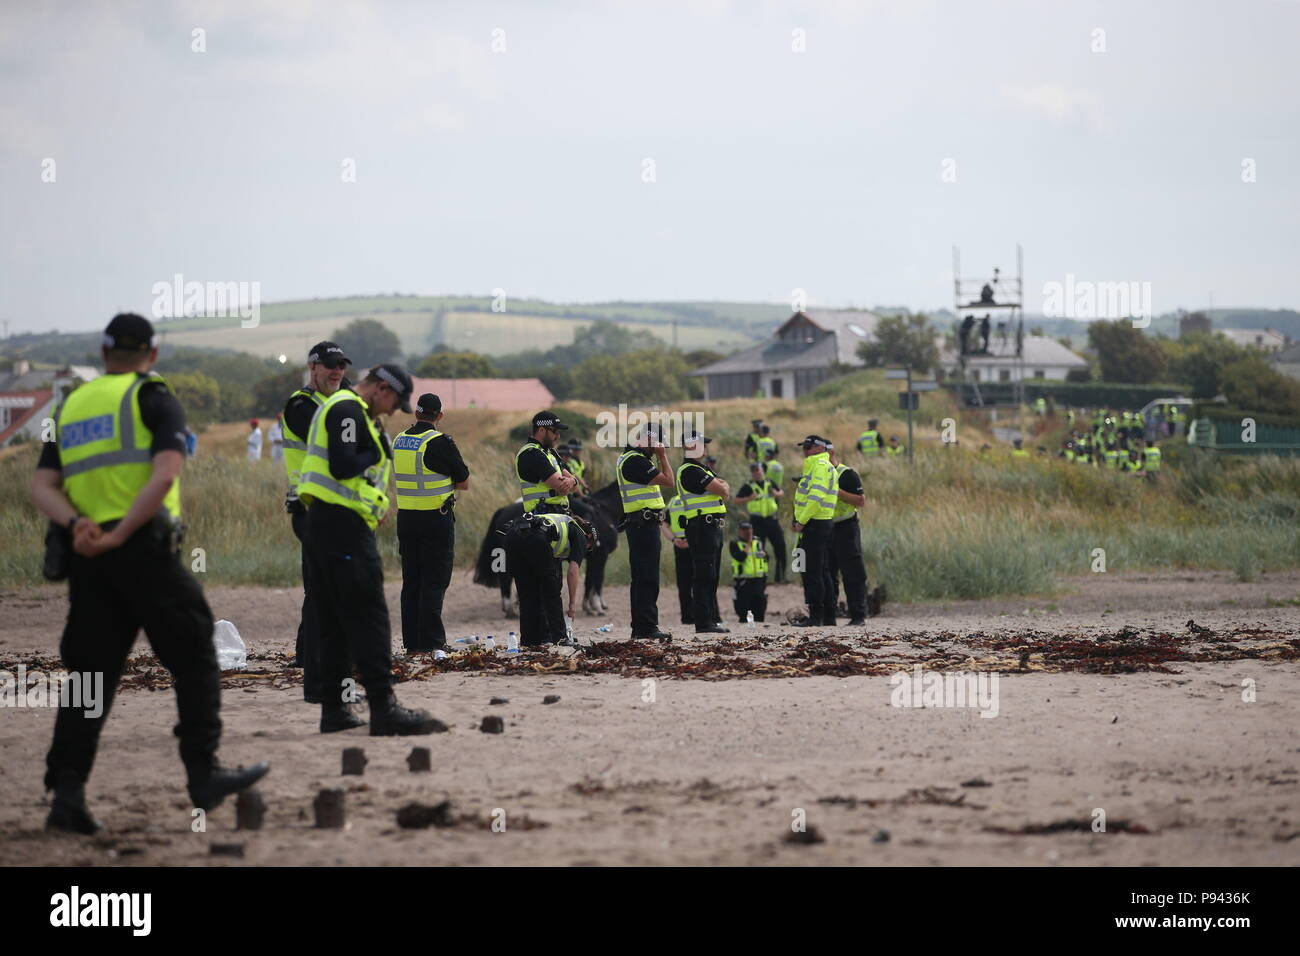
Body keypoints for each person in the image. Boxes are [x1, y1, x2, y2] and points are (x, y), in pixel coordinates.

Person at [30, 312, 269, 834]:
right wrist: (119, 534)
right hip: (143, 552)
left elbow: (42, 486)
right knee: (197, 657)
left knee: (90, 678)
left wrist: (80, 526)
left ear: (102, 352)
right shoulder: (153, 396)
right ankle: (203, 775)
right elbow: (165, 474)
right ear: (152, 354)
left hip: (89, 560)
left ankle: (66, 795)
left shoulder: (71, 406)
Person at [297, 362, 442, 735]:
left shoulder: (345, 409)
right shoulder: (347, 410)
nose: (395, 411)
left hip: (323, 526)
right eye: (395, 401)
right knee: (369, 617)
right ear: (380, 388)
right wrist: (378, 454)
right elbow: (345, 467)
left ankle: (335, 710)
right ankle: (383, 708)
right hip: (343, 529)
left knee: (332, 623)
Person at [281, 340, 351, 706]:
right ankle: (309, 657)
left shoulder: (338, 400)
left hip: (336, 507)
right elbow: (336, 442)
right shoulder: (301, 405)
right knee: (321, 586)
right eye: (329, 365)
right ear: (312, 368)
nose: (337, 371)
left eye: (341, 365)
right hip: (309, 507)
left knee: (330, 586)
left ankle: (313, 656)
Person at [394, 393, 470, 654]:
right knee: (434, 581)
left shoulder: (399, 440)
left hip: (406, 519)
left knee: (412, 580)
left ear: (416, 413)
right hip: (435, 520)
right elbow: (464, 482)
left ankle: (412, 643)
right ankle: (432, 642)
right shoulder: (440, 442)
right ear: (440, 416)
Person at [615, 425, 675, 641]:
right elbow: (670, 481)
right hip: (642, 524)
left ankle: (642, 626)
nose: (658, 449)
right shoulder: (634, 460)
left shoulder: (634, 458)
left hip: (643, 524)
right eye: (657, 445)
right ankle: (645, 627)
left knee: (644, 576)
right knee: (646, 577)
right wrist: (663, 457)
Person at [504, 512, 593, 648]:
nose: (586, 551)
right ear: (589, 537)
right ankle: (560, 639)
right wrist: (572, 606)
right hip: (536, 538)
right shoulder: (580, 534)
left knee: (527, 594)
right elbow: (573, 572)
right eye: (589, 548)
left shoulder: (559, 522)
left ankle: (529, 641)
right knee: (551, 592)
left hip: (511, 536)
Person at [675, 431, 731, 634]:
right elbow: (722, 489)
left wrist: (721, 486)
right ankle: (704, 622)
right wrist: (721, 486)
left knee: (711, 575)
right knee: (703, 575)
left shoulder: (702, 468)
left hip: (711, 527)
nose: (706, 448)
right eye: (702, 444)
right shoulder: (690, 470)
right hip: (701, 527)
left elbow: (725, 488)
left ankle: (710, 619)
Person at [791, 435, 837, 627]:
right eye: (804, 448)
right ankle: (828, 617)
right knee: (822, 571)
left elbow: (815, 498)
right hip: (820, 524)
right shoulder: (819, 466)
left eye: (808, 447)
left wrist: (801, 521)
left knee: (813, 572)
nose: (805, 451)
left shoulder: (819, 466)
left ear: (819, 448)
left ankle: (817, 617)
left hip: (814, 524)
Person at [826, 450, 876, 624]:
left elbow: (860, 501)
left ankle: (858, 615)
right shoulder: (815, 475)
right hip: (823, 528)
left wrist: (836, 491)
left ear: (830, 454)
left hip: (845, 528)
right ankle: (828, 617)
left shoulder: (846, 474)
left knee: (853, 574)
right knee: (827, 575)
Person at [515, 410, 578, 514]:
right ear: (541, 430)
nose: (558, 436)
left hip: (559, 512)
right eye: (555, 432)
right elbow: (562, 488)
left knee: (590, 529)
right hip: (542, 514)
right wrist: (571, 481)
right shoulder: (532, 454)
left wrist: (573, 481)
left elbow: (574, 488)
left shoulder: (550, 453)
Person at [733, 461, 786, 583]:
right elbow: (736, 500)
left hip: (772, 520)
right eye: (753, 471)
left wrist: (776, 493)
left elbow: (781, 492)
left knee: (780, 547)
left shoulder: (769, 482)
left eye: (758, 470)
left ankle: (781, 577)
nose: (756, 473)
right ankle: (761, 577)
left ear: (762, 471)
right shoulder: (748, 486)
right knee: (758, 549)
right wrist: (749, 498)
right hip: (757, 522)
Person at [661, 492, 694, 625]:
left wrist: (674, 540)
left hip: (679, 545)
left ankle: (687, 618)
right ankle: (707, 616)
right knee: (701, 581)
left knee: (683, 583)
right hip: (695, 545)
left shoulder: (674, 501)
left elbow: (663, 524)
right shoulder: (697, 497)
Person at [729, 521, 768, 623]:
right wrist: (749, 543)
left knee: (760, 605)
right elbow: (740, 557)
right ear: (740, 531)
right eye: (744, 530)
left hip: (758, 579)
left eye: (749, 529)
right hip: (743, 580)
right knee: (743, 608)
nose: (747, 532)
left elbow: (765, 558)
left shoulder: (758, 542)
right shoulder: (735, 543)